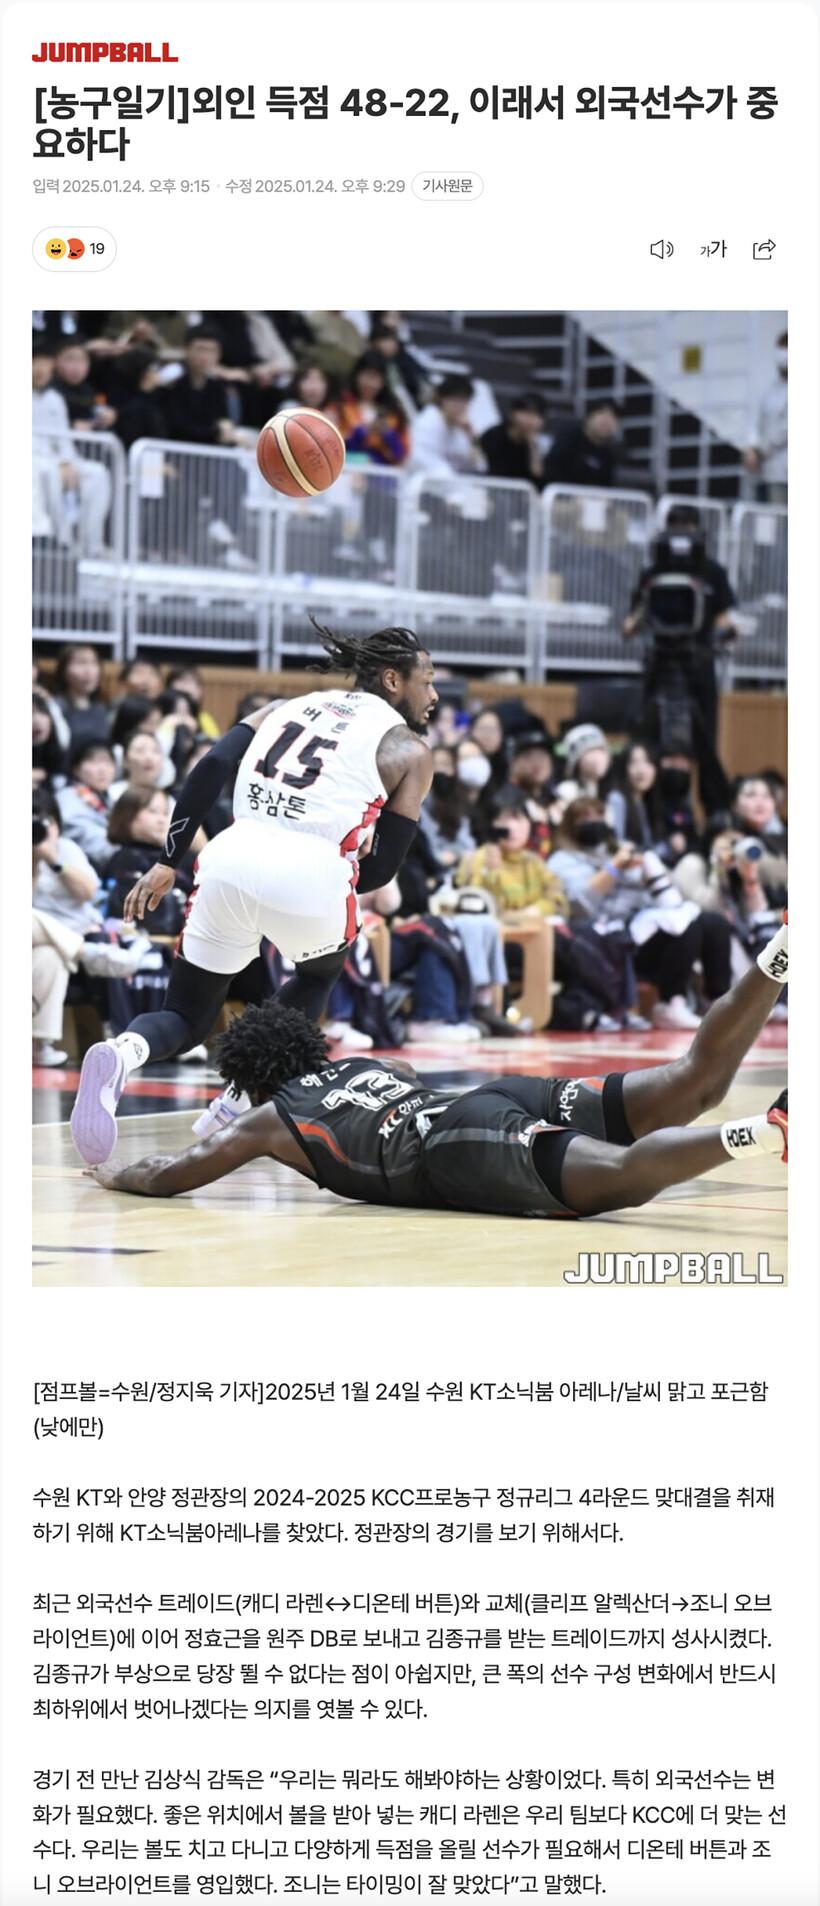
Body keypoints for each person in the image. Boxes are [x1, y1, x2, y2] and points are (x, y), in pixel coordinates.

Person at [86, 918, 788, 1215]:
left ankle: (770, 1130)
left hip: (455, 1144)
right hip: (489, 1097)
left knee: (621, 1177)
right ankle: (782, 951)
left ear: (252, 1078)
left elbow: (176, 1172)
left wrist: (119, 1175)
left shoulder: (271, 1120)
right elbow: (399, 1086)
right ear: (308, 1045)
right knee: (690, 1083)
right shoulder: (370, 1059)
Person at [69, 625, 439, 1165]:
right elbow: (381, 871)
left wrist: (168, 860)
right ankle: (237, 1097)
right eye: (427, 681)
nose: (433, 695)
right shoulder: (410, 750)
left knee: (187, 1016)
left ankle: (123, 1052)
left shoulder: (287, 707)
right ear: (392, 679)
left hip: (230, 855)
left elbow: (210, 768)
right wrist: (342, 870)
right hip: (312, 869)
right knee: (318, 974)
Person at [548, 797, 732, 1030]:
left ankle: (718, 1001)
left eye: (598, 815)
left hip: (642, 925)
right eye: (584, 817)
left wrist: (651, 871)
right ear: (570, 825)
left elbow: (669, 901)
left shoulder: (624, 849)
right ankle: (670, 1003)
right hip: (603, 940)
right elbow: (580, 908)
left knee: (713, 922)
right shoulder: (562, 860)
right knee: (684, 927)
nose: (593, 821)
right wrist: (614, 867)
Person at [623, 504, 736, 810]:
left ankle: (715, 813)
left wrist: (726, 632)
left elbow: (724, 617)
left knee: (705, 743)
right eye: (675, 525)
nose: (681, 533)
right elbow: (632, 621)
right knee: (649, 742)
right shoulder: (652, 574)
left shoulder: (712, 572)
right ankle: (647, 810)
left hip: (698, 666)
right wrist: (638, 619)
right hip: (659, 666)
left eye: (687, 526)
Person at [32, 344, 113, 556]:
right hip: (34, 460)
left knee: (98, 474)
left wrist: (68, 462)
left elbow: (64, 439)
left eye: (44, 363)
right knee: (49, 474)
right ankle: (61, 542)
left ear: (52, 366)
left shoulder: (54, 398)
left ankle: (91, 544)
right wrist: (60, 465)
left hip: (57, 459)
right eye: (34, 363)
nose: (39, 369)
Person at [336, 353, 409, 466]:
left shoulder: (393, 412)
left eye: (375, 378)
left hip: (382, 471)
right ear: (356, 375)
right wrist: (363, 431)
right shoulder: (341, 406)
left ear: (383, 382)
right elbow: (337, 448)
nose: (369, 383)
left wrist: (387, 433)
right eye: (366, 376)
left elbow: (401, 455)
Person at [57, 739, 118, 871]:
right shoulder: (67, 798)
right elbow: (85, 837)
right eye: (93, 762)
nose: (102, 769)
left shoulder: (109, 799)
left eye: (108, 762)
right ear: (76, 769)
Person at [410, 376, 486, 476]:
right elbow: (420, 458)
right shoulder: (427, 421)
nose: (459, 406)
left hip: (455, 480)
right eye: (455, 400)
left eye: (464, 401)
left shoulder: (464, 426)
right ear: (442, 399)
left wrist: (470, 434)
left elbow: (479, 465)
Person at [744, 331, 788, 504]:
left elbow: (785, 430)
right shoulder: (771, 391)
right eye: (781, 350)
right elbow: (757, 422)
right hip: (765, 472)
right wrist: (752, 448)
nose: (783, 356)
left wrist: (760, 452)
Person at [541, 398, 621, 489]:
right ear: (589, 416)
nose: (607, 420)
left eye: (613, 416)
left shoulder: (609, 454)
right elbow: (551, 470)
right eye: (601, 413)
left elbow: (606, 486)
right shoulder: (569, 438)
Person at [480, 394, 546, 489]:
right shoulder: (493, 436)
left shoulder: (537, 444)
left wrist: (532, 444)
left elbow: (537, 474)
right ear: (512, 413)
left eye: (536, 415)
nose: (530, 420)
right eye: (527, 413)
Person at [52, 644, 111, 751]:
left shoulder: (102, 709)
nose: (89, 671)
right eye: (81, 663)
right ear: (63, 670)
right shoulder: (54, 708)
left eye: (94, 663)